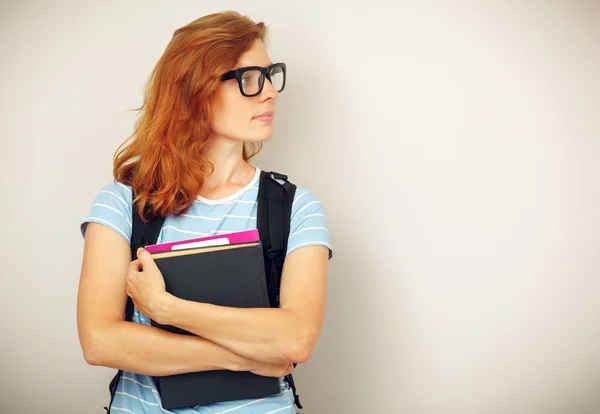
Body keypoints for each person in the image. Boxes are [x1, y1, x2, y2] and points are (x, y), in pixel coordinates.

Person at [76, 11, 332, 414]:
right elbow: (99, 341)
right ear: (195, 90)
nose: (270, 93)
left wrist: (168, 309)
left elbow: (295, 339)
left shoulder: (295, 207)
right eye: (249, 79)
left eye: (270, 76)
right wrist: (241, 358)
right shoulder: (123, 202)